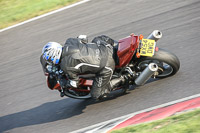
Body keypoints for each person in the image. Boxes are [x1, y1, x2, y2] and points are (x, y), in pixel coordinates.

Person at [40, 35, 127, 100]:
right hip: (105, 47)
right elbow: (84, 38)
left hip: (106, 65)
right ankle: (117, 46)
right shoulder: (69, 41)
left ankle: (123, 78)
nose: (50, 61)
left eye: (50, 59)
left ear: (55, 55)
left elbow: (75, 83)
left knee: (96, 94)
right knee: (98, 39)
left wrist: (65, 84)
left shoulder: (66, 66)